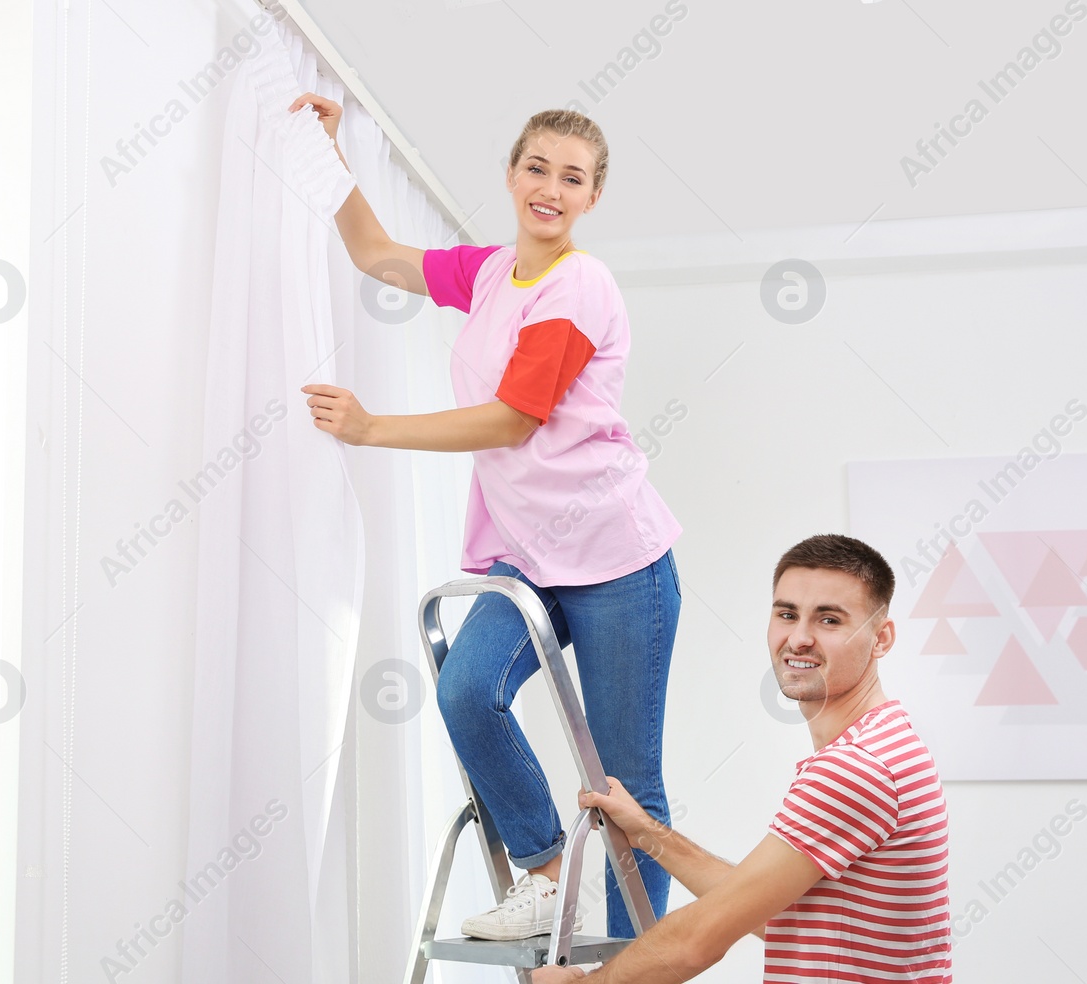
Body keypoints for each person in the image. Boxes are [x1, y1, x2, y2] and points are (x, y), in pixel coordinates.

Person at [287, 94, 681, 942]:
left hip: (617, 559)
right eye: (537, 167)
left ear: (592, 198)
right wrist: (330, 156)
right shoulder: (493, 272)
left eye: (572, 178)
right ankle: (547, 877)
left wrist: (371, 429)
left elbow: (513, 418)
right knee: (468, 694)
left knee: (626, 786)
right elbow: (379, 256)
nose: (550, 187)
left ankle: (633, 960)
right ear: (511, 174)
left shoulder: (581, 286)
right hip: (528, 555)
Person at [533, 534, 952, 983]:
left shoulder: (856, 768)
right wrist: (646, 833)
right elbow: (773, 913)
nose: (800, 638)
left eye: (829, 619)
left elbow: (698, 941)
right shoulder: (885, 742)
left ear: (880, 637)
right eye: (787, 614)